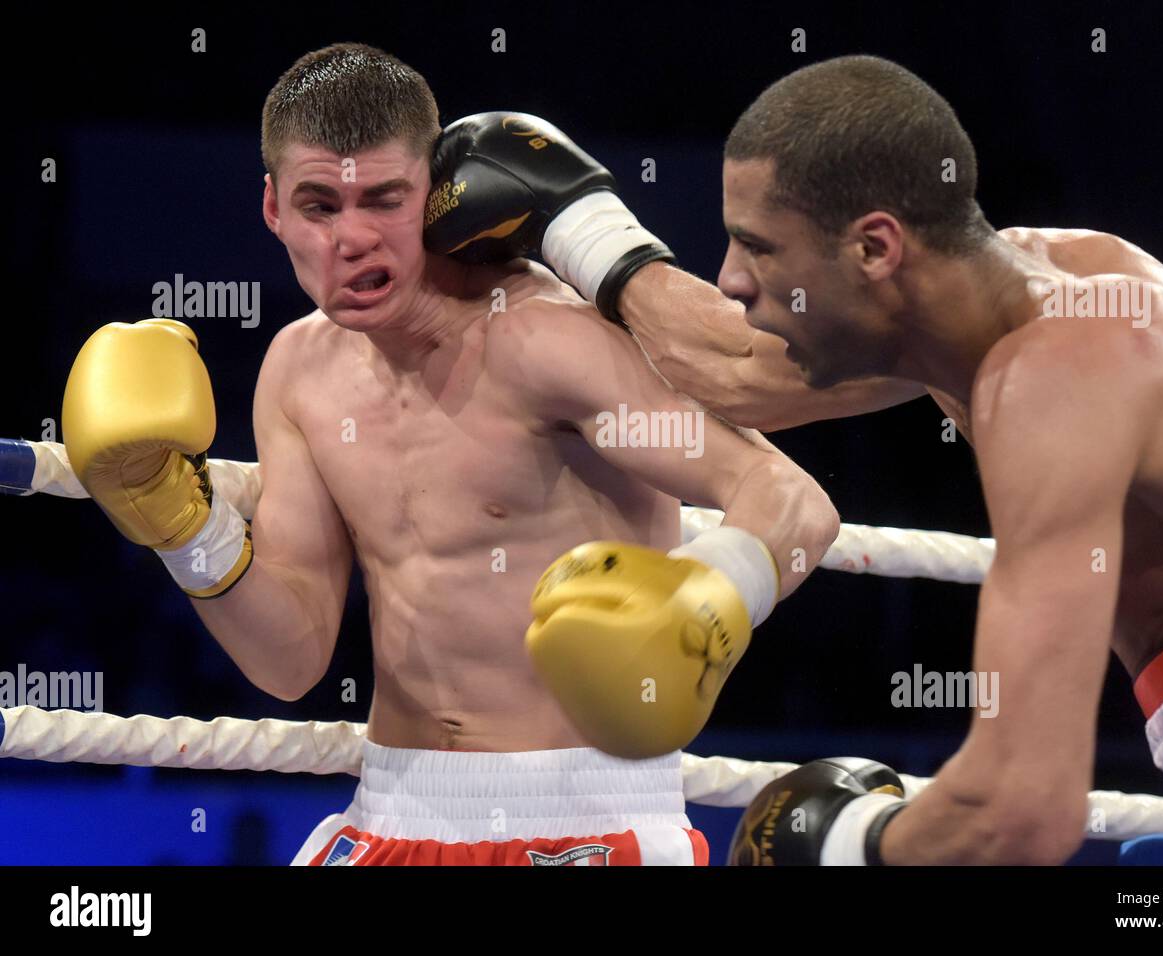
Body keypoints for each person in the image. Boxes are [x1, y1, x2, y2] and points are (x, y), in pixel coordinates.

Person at [427, 55, 1163, 864]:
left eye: (760, 248)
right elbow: (736, 371)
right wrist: (579, 223)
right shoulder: (1029, 283)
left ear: (876, 249)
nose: (730, 278)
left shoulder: (1054, 378)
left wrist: (850, 840)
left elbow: (1022, 809)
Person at [59, 43, 839, 867]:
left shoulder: (542, 337)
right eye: (319, 205)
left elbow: (789, 498)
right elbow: (288, 662)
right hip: (388, 813)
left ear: (433, 194)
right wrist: (180, 525)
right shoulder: (298, 372)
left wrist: (707, 597)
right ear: (272, 209)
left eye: (384, 200)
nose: (352, 238)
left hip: (584, 818)